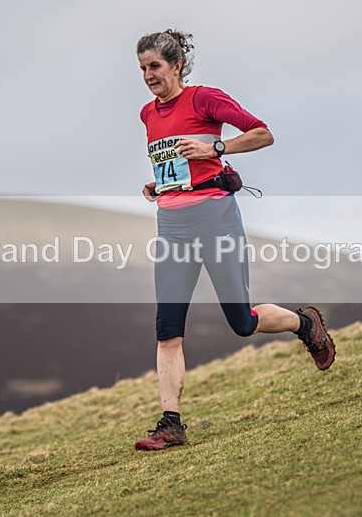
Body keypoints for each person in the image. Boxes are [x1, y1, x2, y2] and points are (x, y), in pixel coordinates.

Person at [134, 29, 335, 451]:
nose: (149, 75)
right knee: (167, 329)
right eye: (143, 68)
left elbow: (263, 133)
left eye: (155, 66)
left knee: (242, 322)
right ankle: (171, 424)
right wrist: (159, 185)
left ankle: (305, 324)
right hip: (171, 225)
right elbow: (177, 165)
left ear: (177, 66)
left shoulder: (205, 99)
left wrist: (217, 148)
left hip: (215, 219)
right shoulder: (147, 114)